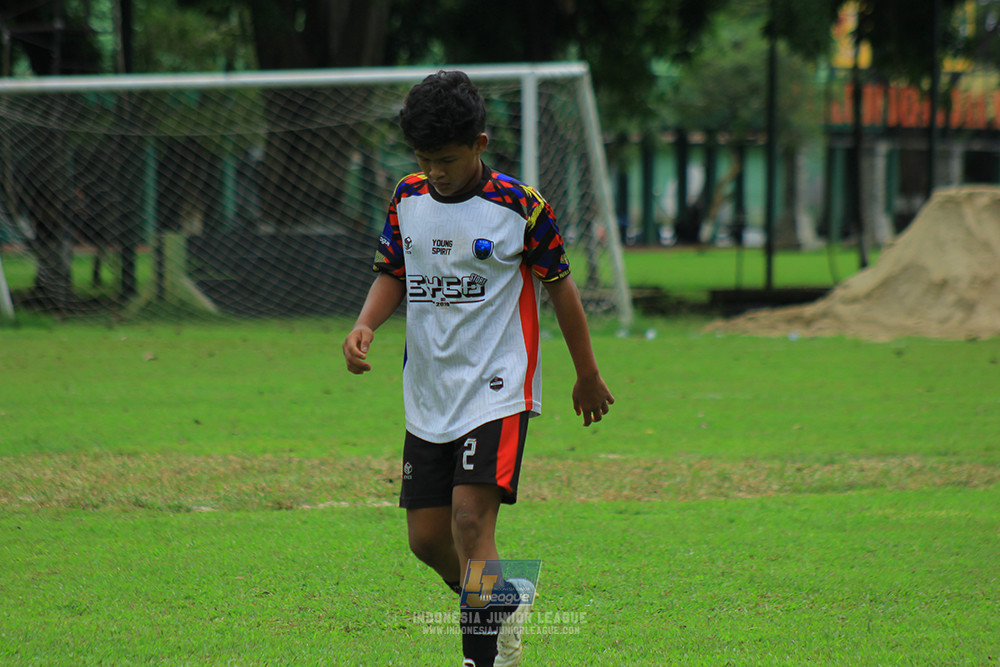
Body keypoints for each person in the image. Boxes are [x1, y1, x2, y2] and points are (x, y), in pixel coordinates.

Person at [342, 70, 614, 667]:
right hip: (429, 390)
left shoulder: (521, 207)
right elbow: (393, 272)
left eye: (445, 159)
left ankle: (482, 658)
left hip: (498, 386)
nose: (434, 171)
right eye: (424, 158)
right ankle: (503, 599)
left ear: (479, 144)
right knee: (426, 539)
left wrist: (586, 373)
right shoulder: (407, 197)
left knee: (470, 521)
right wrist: (366, 324)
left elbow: (562, 290)